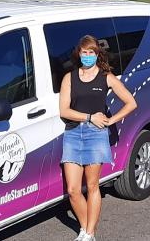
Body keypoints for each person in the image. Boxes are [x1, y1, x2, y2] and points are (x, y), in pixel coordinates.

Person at [58, 36, 137, 241]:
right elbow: (64, 110)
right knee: (73, 190)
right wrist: (88, 116)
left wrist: (111, 120)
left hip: (96, 134)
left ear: (97, 54)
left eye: (91, 53)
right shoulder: (70, 78)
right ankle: (86, 230)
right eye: (84, 53)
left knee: (92, 186)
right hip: (73, 133)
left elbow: (131, 102)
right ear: (79, 54)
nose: (87, 56)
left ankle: (88, 233)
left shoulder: (106, 77)